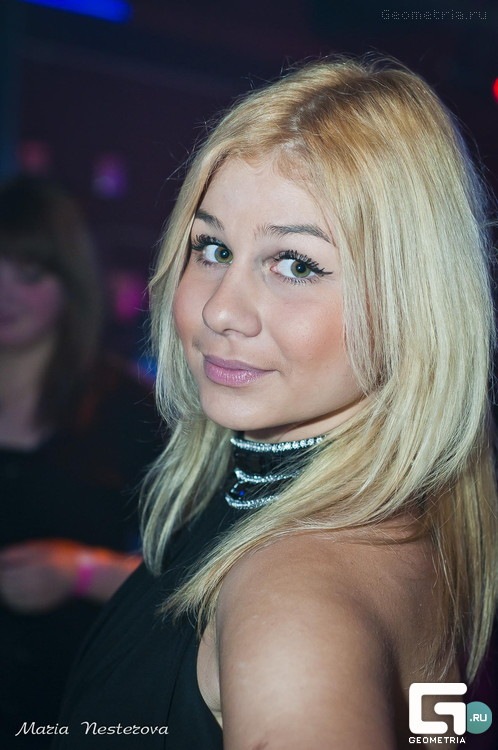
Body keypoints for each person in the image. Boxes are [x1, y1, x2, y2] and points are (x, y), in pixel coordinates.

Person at [52, 57, 497, 748]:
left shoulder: (293, 601)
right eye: (211, 247)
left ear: (414, 300)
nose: (221, 310)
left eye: (295, 264)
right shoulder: (397, 513)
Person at [0, 176, 162, 747]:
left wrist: (80, 572)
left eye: (29, 273)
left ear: (70, 283)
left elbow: (192, 578)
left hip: (70, 711)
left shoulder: (130, 411)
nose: (4, 292)